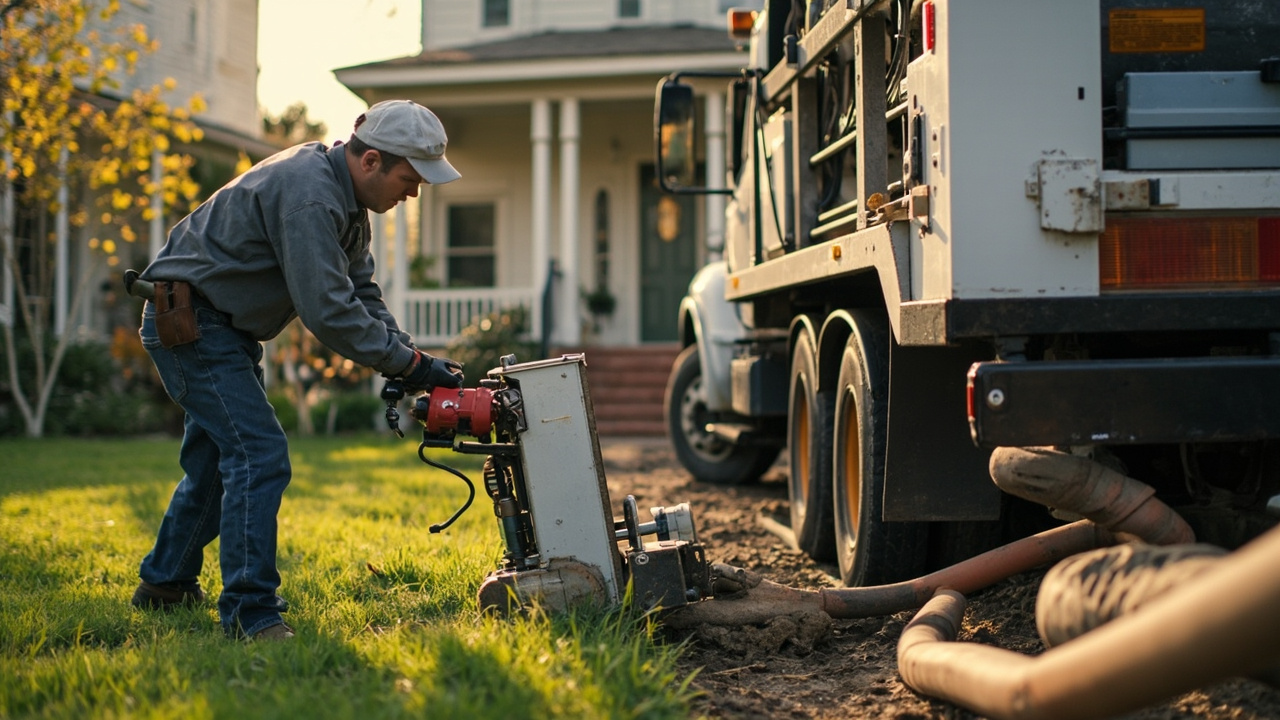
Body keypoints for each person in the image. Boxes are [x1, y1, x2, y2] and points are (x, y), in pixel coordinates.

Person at [129, 99, 464, 641]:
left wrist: (411, 358)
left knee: (219, 463)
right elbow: (328, 310)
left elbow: (360, 293)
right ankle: (250, 612)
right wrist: (411, 365)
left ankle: (166, 583)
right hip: (191, 324)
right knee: (258, 454)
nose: (414, 193)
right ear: (372, 160)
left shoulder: (348, 202)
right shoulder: (309, 196)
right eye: (411, 178)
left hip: (222, 329)